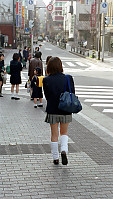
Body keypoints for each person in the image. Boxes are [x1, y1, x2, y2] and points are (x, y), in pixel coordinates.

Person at [43, 57, 75, 165]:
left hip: (52, 110)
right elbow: (72, 93)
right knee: (64, 132)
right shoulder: (68, 78)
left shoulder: (46, 79)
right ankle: (64, 150)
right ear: (60, 66)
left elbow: (47, 96)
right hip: (65, 109)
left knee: (54, 134)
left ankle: (55, 157)